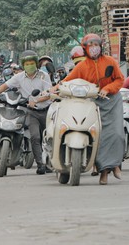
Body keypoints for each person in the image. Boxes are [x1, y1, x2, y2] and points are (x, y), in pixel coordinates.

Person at [53, 33, 125, 185]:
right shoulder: (82, 66)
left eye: (96, 45)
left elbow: (119, 79)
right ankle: (103, 172)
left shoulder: (110, 61)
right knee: (99, 136)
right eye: (90, 45)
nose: (94, 48)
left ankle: (116, 164)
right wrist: (54, 89)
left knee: (117, 134)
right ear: (85, 49)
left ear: (101, 46)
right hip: (93, 102)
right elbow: (67, 81)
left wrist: (108, 88)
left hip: (112, 101)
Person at [0, 50, 52, 175]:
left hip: (46, 111)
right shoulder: (19, 77)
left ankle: (50, 162)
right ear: (23, 65)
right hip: (31, 112)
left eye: (32, 63)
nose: (29, 65)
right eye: (27, 63)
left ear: (36, 63)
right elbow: (5, 86)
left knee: (48, 138)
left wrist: (36, 99)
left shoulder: (44, 76)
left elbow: (49, 93)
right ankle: (40, 164)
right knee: (35, 137)